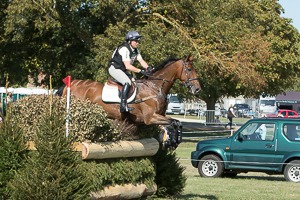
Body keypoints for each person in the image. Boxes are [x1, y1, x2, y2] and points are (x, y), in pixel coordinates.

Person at [108, 30, 151, 113]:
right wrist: (141, 71)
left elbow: (141, 61)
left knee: (136, 82)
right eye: (136, 41)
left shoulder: (136, 50)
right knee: (127, 82)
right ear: (130, 41)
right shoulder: (125, 49)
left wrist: (148, 68)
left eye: (138, 41)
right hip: (115, 69)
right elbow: (128, 66)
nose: (137, 43)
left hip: (122, 70)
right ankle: (123, 106)